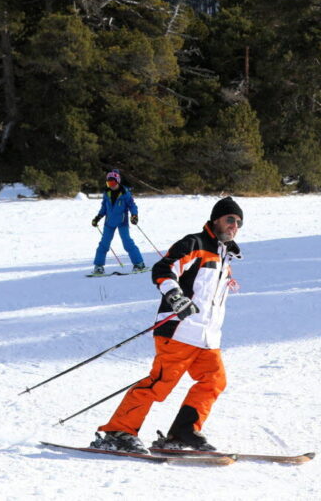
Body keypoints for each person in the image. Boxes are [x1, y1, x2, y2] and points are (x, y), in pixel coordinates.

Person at [89, 196, 244, 454]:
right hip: (179, 331)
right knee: (159, 384)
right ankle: (118, 431)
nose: (234, 226)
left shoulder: (224, 258)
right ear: (216, 219)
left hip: (207, 338)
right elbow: (163, 268)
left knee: (214, 381)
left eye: (239, 223)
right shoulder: (195, 243)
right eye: (230, 219)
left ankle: (183, 432)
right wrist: (176, 297)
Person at [91, 170, 146, 275]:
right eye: (109, 183)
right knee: (104, 244)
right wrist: (98, 217)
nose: (111, 185)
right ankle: (98, 267)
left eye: (113, 183)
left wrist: (134, 215)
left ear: (118, 182)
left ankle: (139, 264)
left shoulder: (125, 193)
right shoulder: (107, 193)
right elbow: (104, 207)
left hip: (122, 222)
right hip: (109, 223)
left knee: (127, 243)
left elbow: (132, 205)